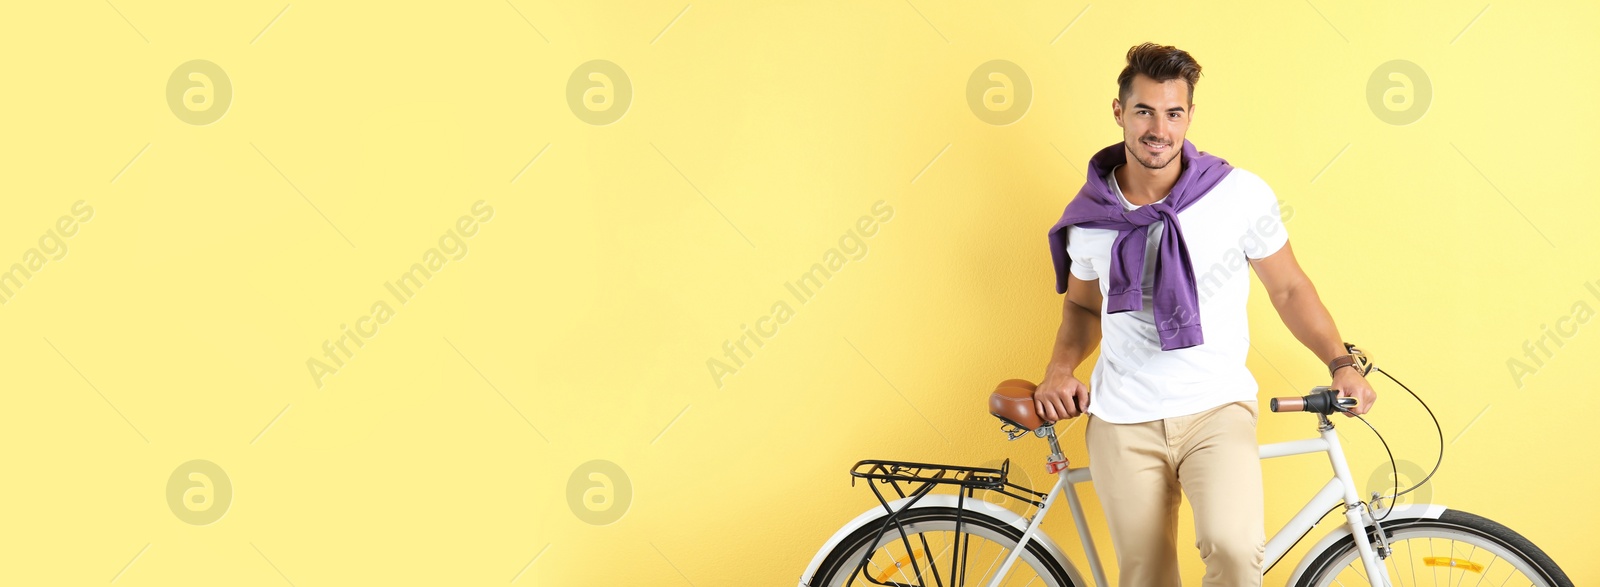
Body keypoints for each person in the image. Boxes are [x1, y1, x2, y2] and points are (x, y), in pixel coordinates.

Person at [1036, 42, 1378, 587]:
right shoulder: (1091, 219)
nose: (1159, 128)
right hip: (1124, 415)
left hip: (1216, 409)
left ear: (1190, 116)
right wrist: (1059, 370)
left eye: (1173, 113)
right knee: (1146, 575)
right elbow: (1081, 305)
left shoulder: (1237, 194)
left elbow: (1289, 289)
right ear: (1119, 112)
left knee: (1235, 549)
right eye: (1144, 110)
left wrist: (1340, 361)